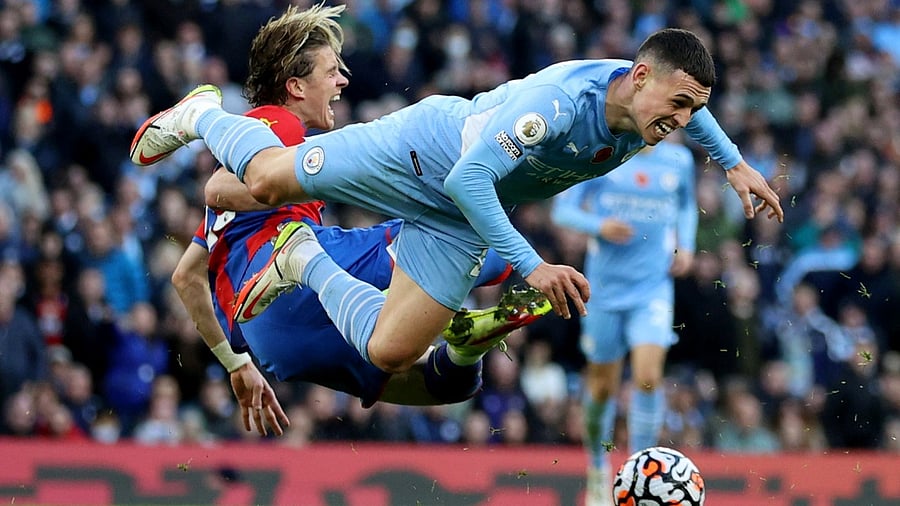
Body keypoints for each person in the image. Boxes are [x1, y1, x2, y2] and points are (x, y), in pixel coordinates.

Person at [132, 26, 783, 398]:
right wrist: (534, 265)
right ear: (638, 77)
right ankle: (200, 114)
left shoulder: (653, 107)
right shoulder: (555, 107)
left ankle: (304, 259)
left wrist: (732, 162)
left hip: (462, 212)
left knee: (391, 350)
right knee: (268, 177)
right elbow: (470, 182)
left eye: (692, 110)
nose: (682, 121)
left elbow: (691, 103)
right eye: (677, 104)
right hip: (424, 154)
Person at [169, 5, 547, 436]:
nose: (342, 81)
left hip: (269, 338)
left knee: (448, 384)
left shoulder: (256, 165)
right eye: (331, 71)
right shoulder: (276, 124)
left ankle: (463, 347)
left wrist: (236, 366)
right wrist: (341, 178)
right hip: (282, 274)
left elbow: (186, 278)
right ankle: (305, 258)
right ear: (294, 86)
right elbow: (218, 188)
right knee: (487, 246)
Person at [550, 139, 696, 506]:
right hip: (604, 291)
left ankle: (639, 467)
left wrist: (687, 245)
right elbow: (562, 211)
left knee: (648, 375)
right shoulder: (603, 155)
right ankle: (597, 466)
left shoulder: (678, 160)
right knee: (602, 388)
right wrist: (599, 225)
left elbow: (687, 205)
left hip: (653, 288)